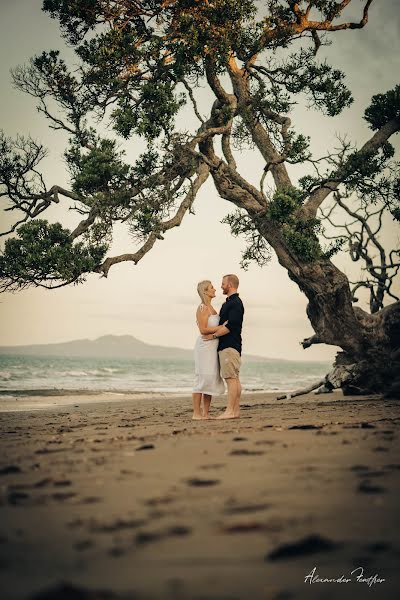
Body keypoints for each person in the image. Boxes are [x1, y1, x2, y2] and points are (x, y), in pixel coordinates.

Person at [203, 274, 244, 419]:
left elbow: (231, 326)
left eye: (223, 283)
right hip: (232, 346)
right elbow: (225, 325)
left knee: (231, 379)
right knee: (235, 379)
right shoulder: (230, 302)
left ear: (230, 285)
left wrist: (212, 336)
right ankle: (235, 411)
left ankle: (230, 411)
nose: (221, 286)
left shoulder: (235, 303)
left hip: (229, 346)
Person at [192, 280, 227, 420]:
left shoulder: (212, 309)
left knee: (210, 379)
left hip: (213, 347)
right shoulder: (202, 308)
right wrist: (221, 327)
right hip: (204, 346)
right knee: (202, 378)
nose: (215, 289)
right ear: (205, 291)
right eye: (211, 287)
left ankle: (206, 413)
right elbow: (203, 330)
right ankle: (196, 413)